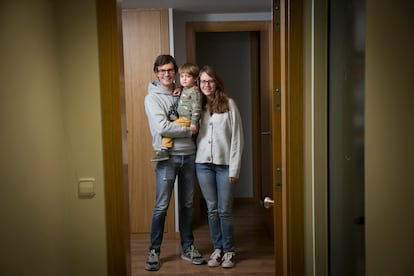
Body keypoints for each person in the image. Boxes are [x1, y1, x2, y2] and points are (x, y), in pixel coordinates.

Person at [144, 54, 205, 271]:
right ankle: (154, 250)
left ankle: (188, 247)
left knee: (188, 205)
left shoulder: (185, 92)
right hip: (167, 158)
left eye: (170, 70)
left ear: (176, 72)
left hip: (189, 156)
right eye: (162, 71)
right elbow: (162, 128)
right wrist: (188, 130)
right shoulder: (152, 98)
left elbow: (195, 109)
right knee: (161, 206)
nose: (167, 75)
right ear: (156, 73)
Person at [195, 65, 244, 269]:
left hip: (225, 165)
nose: (206, 85)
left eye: (210, 81)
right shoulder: (195, 106)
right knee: (212, 210)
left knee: (224, 210)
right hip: (202, 165)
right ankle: (218, 249)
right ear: (198, 84)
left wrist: (234, 169)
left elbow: (238, 139)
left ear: (216, 83)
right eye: (203, 81)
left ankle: (229, 251)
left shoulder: (229, 104)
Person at [151, 62, 202, 162]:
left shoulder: (195, 92)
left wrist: (193, 124)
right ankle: (163, 150)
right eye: (182, 76)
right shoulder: (185, 89)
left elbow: (197, 109)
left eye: (187, 76)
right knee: (167, 130)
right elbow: (162, 128)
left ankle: (164, 150)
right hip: (183, 119)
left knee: (168, 133)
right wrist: (181, 88)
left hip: (187, 119)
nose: (184, 79)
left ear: (195, 79)